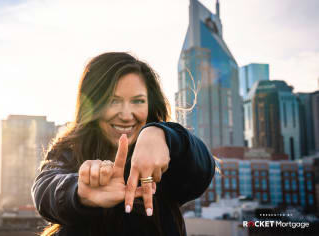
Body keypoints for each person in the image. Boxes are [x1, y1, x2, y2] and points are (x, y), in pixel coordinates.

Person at [31, 52, 215, 236]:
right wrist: (78, 190)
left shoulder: (165, 152)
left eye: (138, 101)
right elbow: (45, 187)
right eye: (113, 101)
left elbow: (202, 169)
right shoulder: (70, 149)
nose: (126, 115)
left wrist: (166, 136)